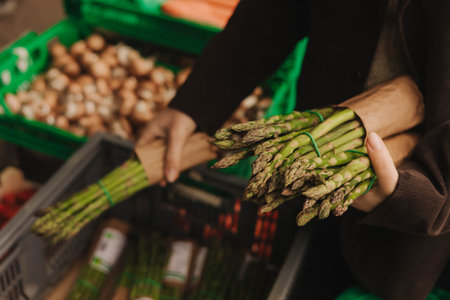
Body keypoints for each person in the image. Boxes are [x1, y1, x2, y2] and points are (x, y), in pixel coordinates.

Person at [137, 0, 450, 299]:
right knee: (306, 266)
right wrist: (198, 101)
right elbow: (278, 8)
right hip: (307, 162)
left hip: (409, 227)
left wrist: (412, 196)